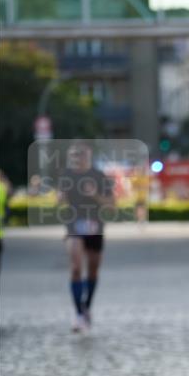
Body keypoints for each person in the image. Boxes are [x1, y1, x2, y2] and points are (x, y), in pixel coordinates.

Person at [58, 142, 114, 332]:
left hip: (95, 226)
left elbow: (112, 205)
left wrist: (95, 195)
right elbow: (60, 200)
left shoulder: (99, 176)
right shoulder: (66, 175)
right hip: (74, 226)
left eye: (80, 154)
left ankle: (87, 306)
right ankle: (78, 314)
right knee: (75, 268)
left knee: (93, 270)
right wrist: (61, 197)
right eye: (74, 155)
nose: (77, 158)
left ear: (88, 155)